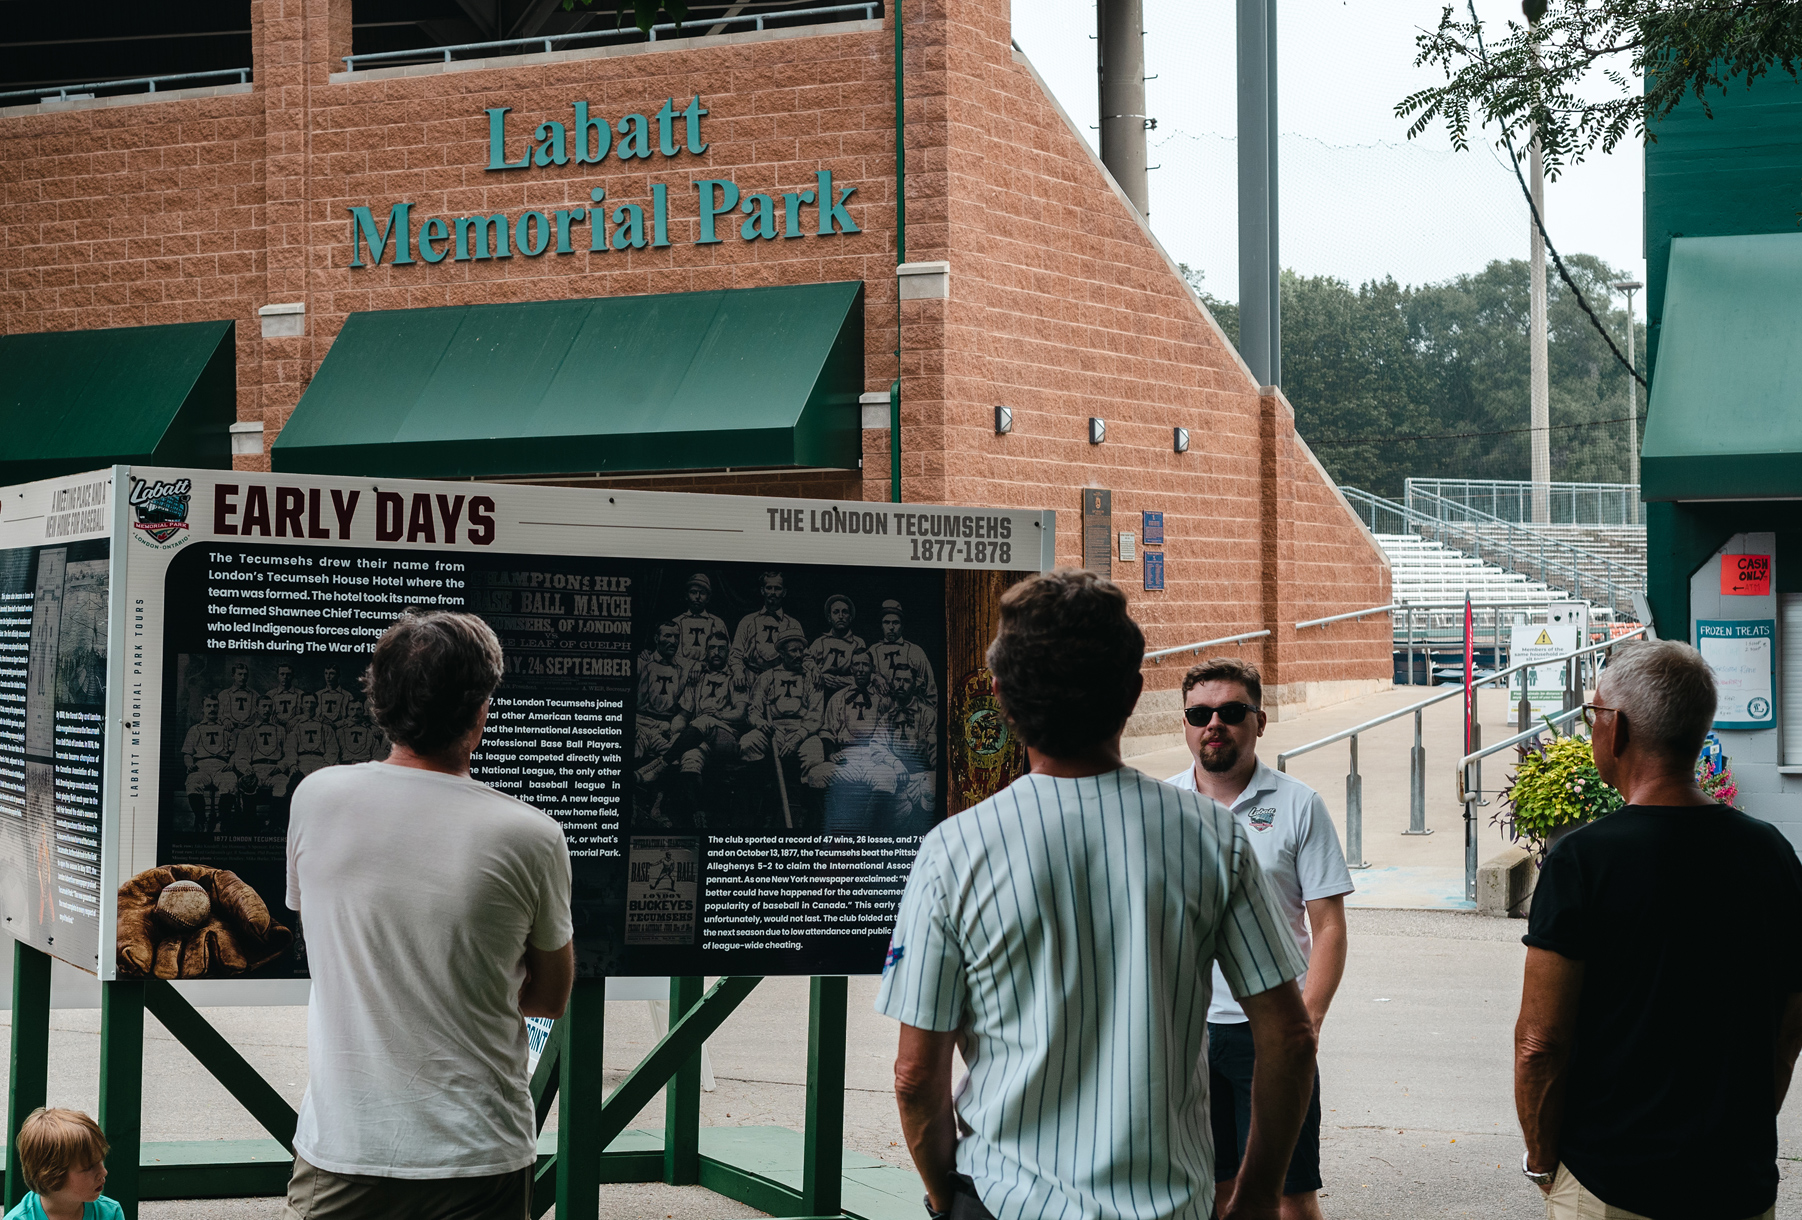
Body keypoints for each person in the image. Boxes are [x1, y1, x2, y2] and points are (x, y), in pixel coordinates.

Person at [878, 570, 1316, 1220]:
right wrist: (1253, 1197)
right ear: (1135, 693)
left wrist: (950, 1199)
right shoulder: (1210, 837)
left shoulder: (955, 850)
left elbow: (916, 1076)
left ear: (1001, 697)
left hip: (1004, 1199)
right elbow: (1289, 1035)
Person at [284, 610, 573, 1220]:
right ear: (479, 713)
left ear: (381, 702)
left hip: (344, 1147)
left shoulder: (316, 798)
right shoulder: (532, 836)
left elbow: (320, 927)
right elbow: (548, 997)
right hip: (480, 1153)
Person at [1515, 639, 1802, 1220]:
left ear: (1615, 729)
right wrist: (1746, 1124)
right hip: (1737, 1184)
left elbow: (1539, 1043)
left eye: (1595, 714)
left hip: (1609, 1185)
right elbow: (1790, 1022)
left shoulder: (1583, 861)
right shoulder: (1770, 853)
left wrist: (1543, 1161)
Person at [1165, 658, 1351, 1220]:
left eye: (1230, 711)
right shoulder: (1163, 807)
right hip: (1186, 1031)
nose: (1213, 723)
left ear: (1260, 721)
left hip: (1270, 1028)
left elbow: (1329, 926)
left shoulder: (1298, 805)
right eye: (1200, 713)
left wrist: (1307, 1020)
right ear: (1186, 724)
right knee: (1214, 1191)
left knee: (1290, 1196)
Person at [5, 1108, 122, 1220]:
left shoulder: (110, 1213)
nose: (103, 1172)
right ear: (50, 1177)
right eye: (89, 1167)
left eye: (100, 1161)